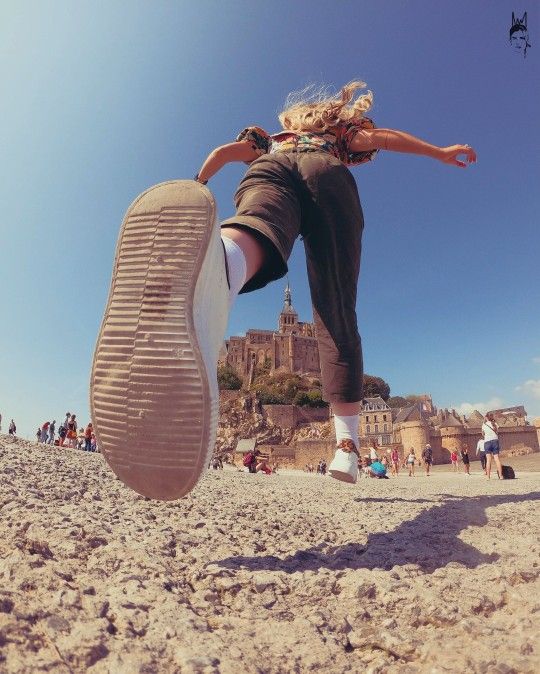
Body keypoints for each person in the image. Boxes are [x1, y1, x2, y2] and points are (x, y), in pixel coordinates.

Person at [90, 80, 477, 500]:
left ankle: (213, 264)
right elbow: (386, 138)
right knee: (335, 307)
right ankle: (346, 446)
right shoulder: (338, 137)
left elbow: (222, 154)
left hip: (269, 171)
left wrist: (196, 184)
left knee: (255, 229)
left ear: (288, 120)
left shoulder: (268, 140)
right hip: (327, 175)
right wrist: (438, 152)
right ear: (332, 115)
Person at [482, 412, 503, 480]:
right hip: (495, 441)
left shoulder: (484, 424)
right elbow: (497, 432)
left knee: (488, 460)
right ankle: (500, 476)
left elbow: (483, 434)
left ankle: (488, 477)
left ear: (487, 417)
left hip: (487, 442)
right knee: (497, 459)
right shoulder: (495, 424)